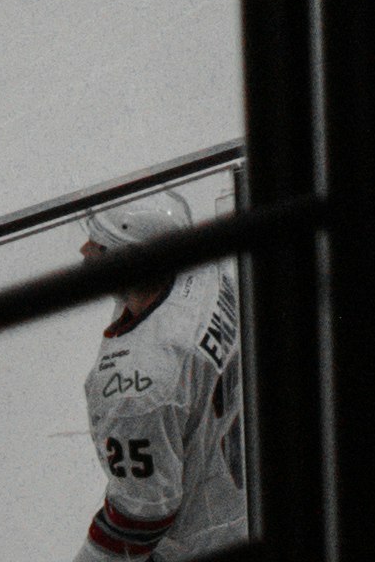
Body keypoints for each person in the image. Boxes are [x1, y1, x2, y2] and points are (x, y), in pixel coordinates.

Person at [77, 188, 251, 556]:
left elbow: (142, 514)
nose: (86, 251)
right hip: (240, 501)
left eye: (100, 245)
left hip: (201, 543)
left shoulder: (135, 385)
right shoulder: (202, 269)